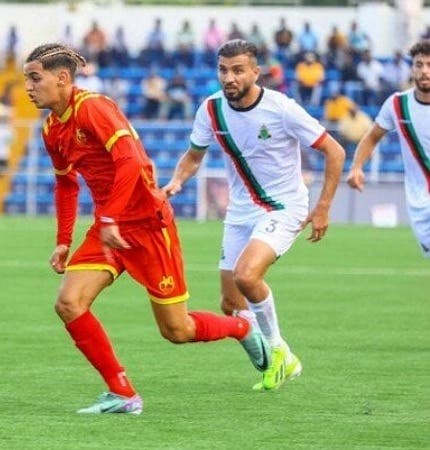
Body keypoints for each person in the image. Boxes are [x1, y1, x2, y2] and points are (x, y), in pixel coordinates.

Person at [23, 43, 270, 415]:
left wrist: (110, 217)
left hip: (148, 226)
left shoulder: (94, 107)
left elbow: (130, 161)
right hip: (108, 230)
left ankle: (242, 329)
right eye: (26, 79)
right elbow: (66, 185)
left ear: (62, 78)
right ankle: (123, 394)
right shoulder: (52, 128)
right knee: (69, 303)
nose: (28, 86)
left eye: (34, 78)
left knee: (177, 330)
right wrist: (63, 241)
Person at [162, 40, 346, 391]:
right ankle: (284, 362)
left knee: (247, 276)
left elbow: (334, 151)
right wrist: (175, 183)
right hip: (241, 212)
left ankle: (277, 350)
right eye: (223, 70)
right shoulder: (211, 109)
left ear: (255, 72)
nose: (229, 77)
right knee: (231, 303)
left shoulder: (281, 109)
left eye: (237, 70)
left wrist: (322, 207)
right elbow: (193, 155)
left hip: (284, 206)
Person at [347, 40, 430, 259]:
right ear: (412, 68)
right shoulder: (397, 104)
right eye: (419, 65)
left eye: (429, 65)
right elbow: (372, 137)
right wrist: (356, 167)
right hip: (420, 202)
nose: (424, 71)